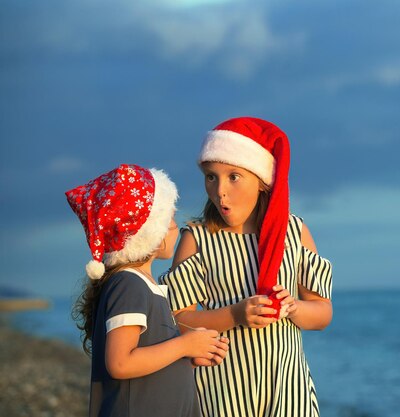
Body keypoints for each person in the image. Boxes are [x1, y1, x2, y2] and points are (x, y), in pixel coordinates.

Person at [161, 117, 333, 417]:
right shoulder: (197, 239)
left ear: (262, 179)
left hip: (288, 395)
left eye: (234, 176)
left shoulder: (294, 232)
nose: (219, 191)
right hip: (219, 395)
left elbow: (322, 314)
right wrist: (236, 314)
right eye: (211, 177)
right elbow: (177, 320)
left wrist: (293, 308)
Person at [67, 164, 229, 417]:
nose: (177, 226)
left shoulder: (142, 285)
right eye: (171, 218)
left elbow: (146, 354)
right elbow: (121, 363)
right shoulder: (128, 285)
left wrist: (189, 354)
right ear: (149, 230)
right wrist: (184, 346)